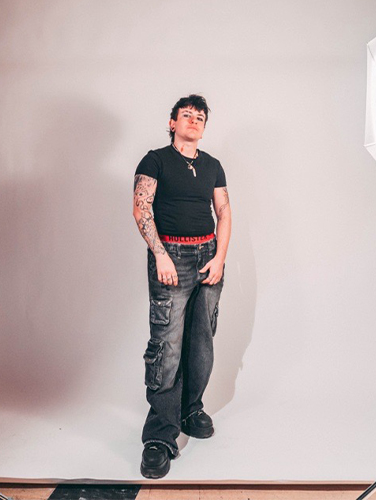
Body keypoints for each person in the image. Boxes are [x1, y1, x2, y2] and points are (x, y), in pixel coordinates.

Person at [132, 94, 231, 479]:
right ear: (172, 122)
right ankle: (160, 435)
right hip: (171, 257)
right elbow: (142, 207)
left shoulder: (213, 166)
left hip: (207, 256)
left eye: (200, 117)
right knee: (167, 345)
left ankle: (191, 409)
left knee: (201, 341)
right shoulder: (155, 160)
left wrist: (220, 257)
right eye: (186, 115)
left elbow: (223, 211)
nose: (194, 120)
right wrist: (160, 255)